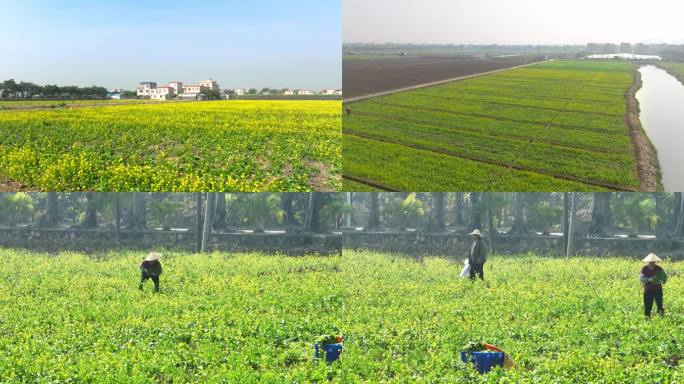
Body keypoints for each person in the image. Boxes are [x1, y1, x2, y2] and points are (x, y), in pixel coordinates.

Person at [639, 253, 667, 319]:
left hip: (658, 290)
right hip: (648, 290)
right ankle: (647, 319)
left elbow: (664, 278)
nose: (652, 263)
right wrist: (649, 279)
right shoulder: (644, 268)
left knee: (659, 305)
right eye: (650, 262)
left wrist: (660, 280)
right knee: (647, 306)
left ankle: (661, 317)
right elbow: (641, 279)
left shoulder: (659, 269)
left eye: (653, 262)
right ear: (648, 262)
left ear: (655, 262)